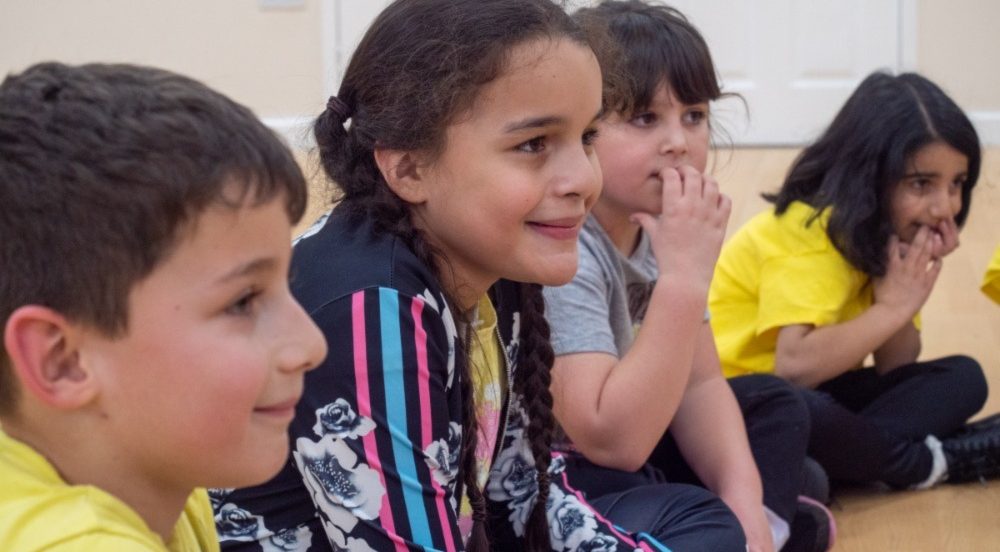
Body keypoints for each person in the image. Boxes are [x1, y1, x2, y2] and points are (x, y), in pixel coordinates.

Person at [213, 0, 746, 550]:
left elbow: (519, 501)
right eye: (534, 144)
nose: (582, 180)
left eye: (586, 137)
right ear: (409, 166)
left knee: (707, 528)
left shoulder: (493, 266)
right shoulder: (372, 308)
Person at [0, 62, 327, 551]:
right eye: (242, 302)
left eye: (286, 285)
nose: (311, 346)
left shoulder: (152, 474)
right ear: (63, 360)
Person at [543, 2, 831, 551]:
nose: (679, 140)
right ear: (582, 130)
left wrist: (744, 502)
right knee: (742, 494)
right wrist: (684, 278)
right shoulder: (568, 244)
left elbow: (700, 384)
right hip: (573, 469)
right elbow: (610, 443)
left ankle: (759, 527)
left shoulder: (663, 230)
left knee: (775, 407)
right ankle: (762, 523)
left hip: (638, 433)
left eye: (694, 115)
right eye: (646, 118)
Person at [709, 70, 1000, 490]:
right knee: (806, 414)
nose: (946, 206)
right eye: (922, 184)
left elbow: (895, 367)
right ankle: (918, 462)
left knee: (965, 378)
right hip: (748, 406)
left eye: (956, 184)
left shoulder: (884, 232)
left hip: (818, 395)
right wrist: (893, 307)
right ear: (868, 175)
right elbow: (795, 368)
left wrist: (907, 294)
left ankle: (856, 456)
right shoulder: (809, 229)